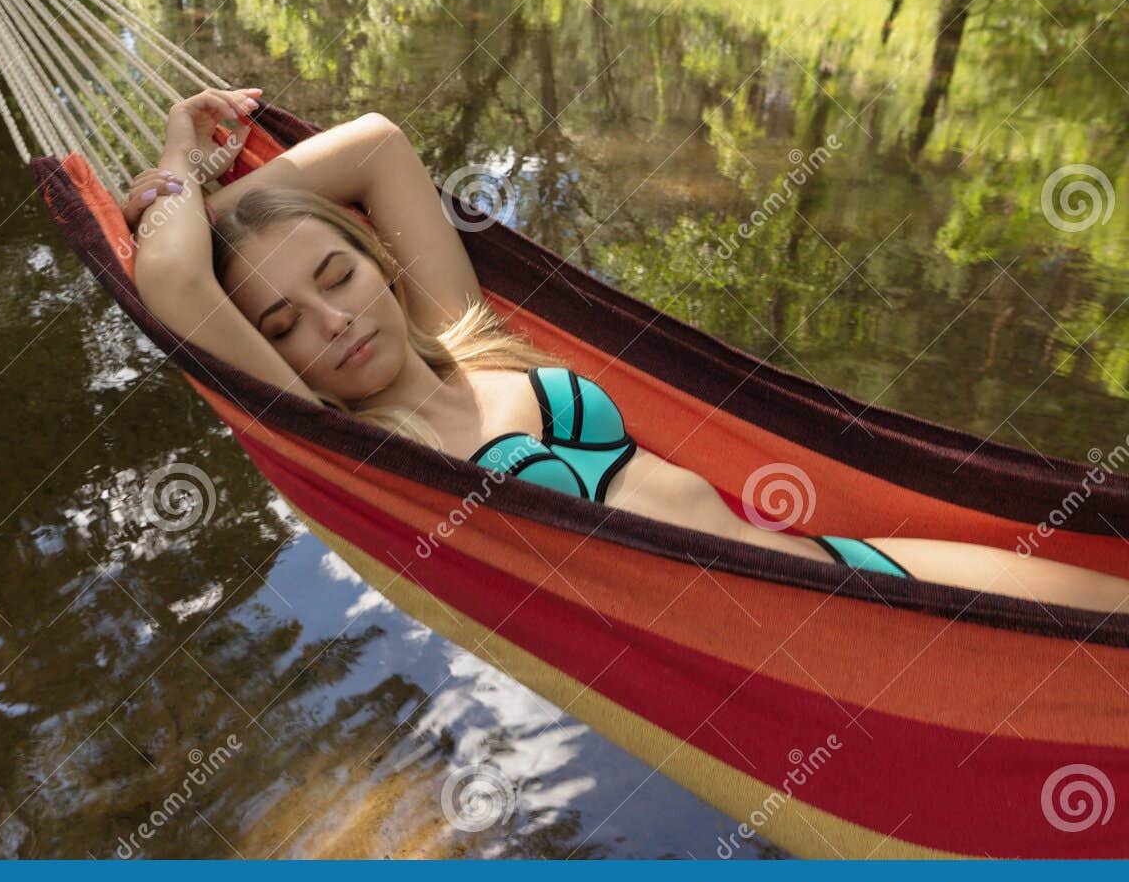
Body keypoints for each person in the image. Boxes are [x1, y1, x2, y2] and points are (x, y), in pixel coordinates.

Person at [125, 86, 1129, 617]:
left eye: (335, 278)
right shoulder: (369, 455)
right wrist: (176, 165)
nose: (328, 321)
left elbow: (380, 144)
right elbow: (170, 283)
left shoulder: (471, 335)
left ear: (382, 263)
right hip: (804, 645)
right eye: (281, 325)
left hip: (844, 565)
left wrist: (231, 209)